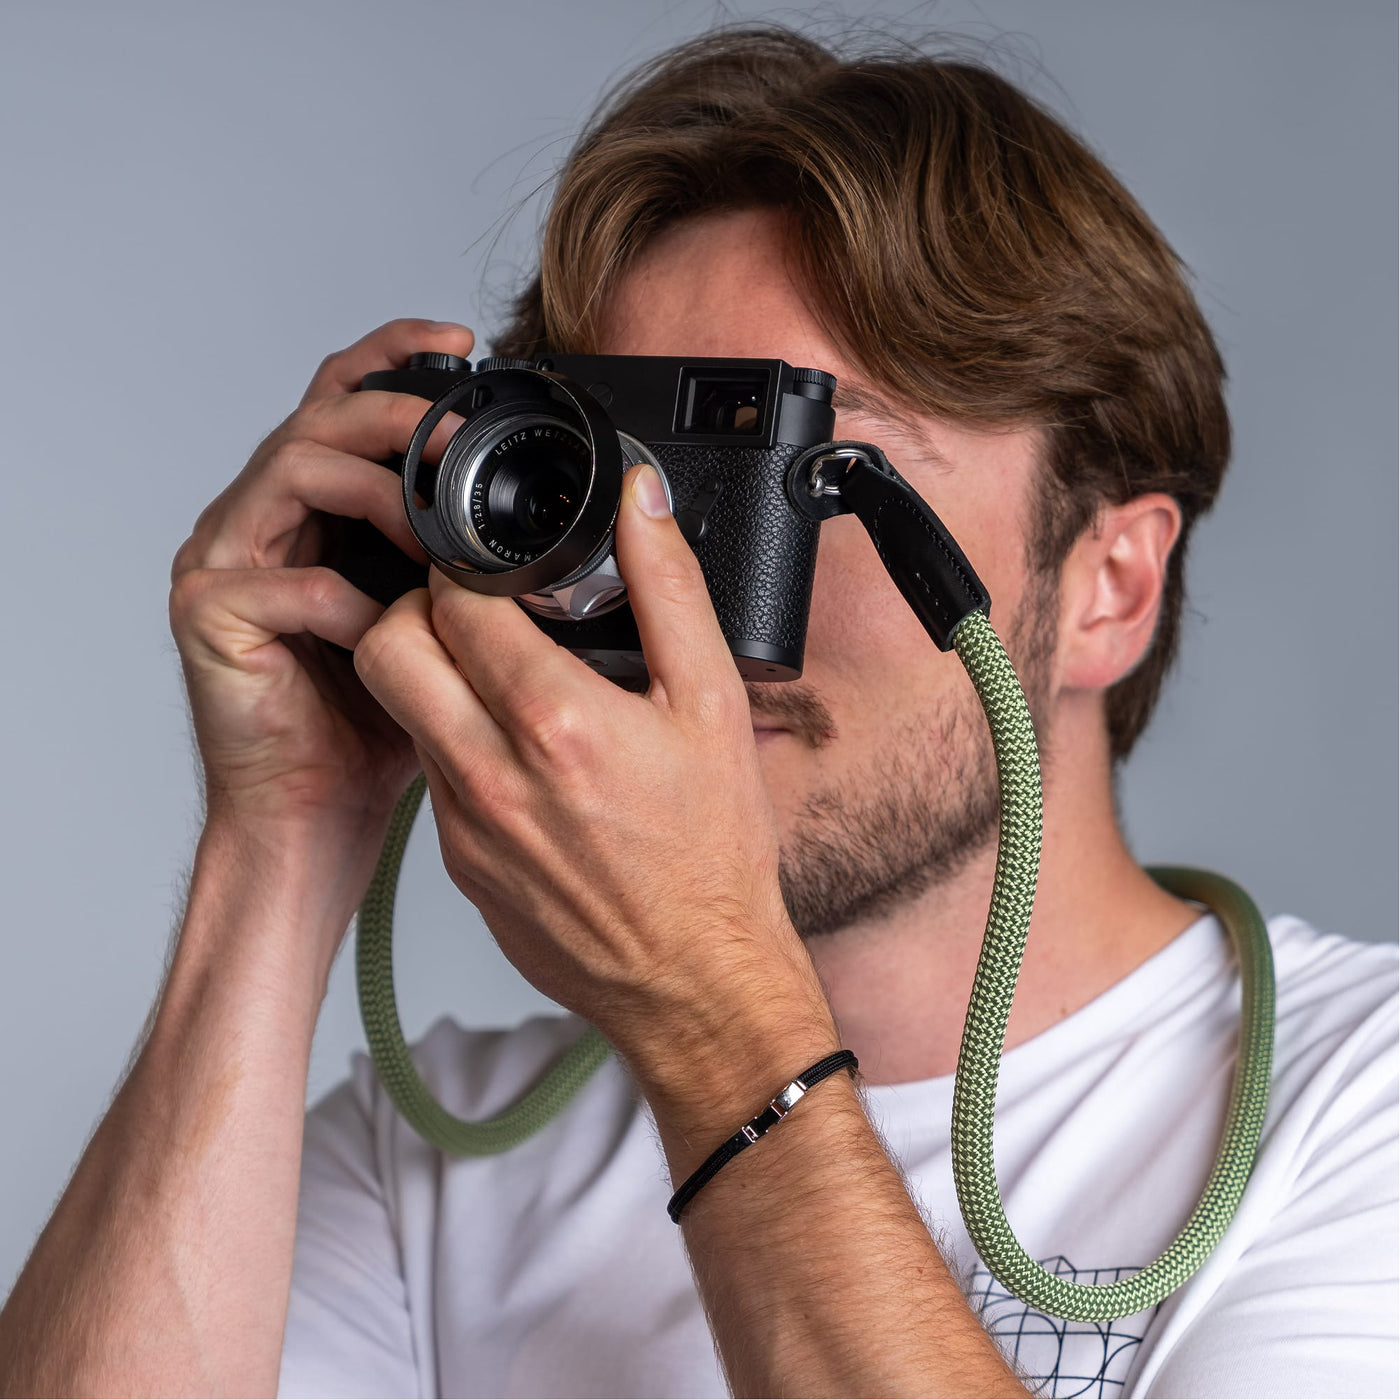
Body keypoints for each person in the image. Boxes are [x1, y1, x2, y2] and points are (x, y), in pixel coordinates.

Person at [0, 26, 1394, 1400]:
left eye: (811, 485)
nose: (703, 618)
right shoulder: (439, 1162)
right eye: (638, 487)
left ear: (1109, 585)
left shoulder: (1350, 1114)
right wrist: (285, 836)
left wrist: (714, 1019)